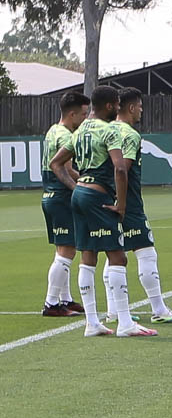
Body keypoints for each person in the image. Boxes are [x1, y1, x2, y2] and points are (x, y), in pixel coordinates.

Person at [47, 86, 155, 337]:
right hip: (98, 197)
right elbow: (120, 168)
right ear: (109, 106)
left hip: (79, 195)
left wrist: (76, 186)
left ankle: (92, 322)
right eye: (117, 105)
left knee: (88, 257)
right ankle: (125, 323)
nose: (118, 109)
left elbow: (56, 162)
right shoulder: (109, 131)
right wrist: (122, 205)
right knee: (118, 257)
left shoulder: (80, 129)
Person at [107, 87, 172, 325]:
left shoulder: (106, 130)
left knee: (112, 253)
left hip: (103, 200)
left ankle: (114, 310)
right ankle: (159, 309)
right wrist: (122, 202)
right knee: (146, 252)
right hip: (127, 203)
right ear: (131, 108)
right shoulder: (130, 134)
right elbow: (123, 168)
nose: (142, 110)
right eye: (140, 106)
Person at [40, 91, 90, 317]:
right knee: (67, 251)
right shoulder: (66, 136)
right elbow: (66, 169)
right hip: (60, 196)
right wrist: (85, 182)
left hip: (49, 196)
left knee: (63, 250)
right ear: (72, 114)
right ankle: (51, 303)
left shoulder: (52, 130)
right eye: (83, 114)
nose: (85, 118)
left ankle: (65, 299)